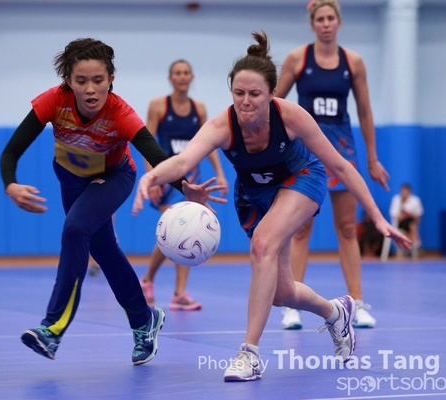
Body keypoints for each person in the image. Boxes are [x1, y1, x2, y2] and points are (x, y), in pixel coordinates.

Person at [131, 31, 411, 382]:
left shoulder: (291, 117)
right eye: (239, 93)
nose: (246, 101)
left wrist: (378, 218)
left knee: (262, 244)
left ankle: (249, 353)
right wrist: (151, 177)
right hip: (255, 194)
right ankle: (336, 312)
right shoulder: (222, 125)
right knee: (281, 293)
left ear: (271, 93)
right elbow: (184, 160)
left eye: (255, 94)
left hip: (302, 179)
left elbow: (341, 166)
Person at [0, 38, 223, 365]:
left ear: (111, 79)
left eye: (98, 80)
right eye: (81, 81)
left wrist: (185, 187)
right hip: (71, 179)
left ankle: (52, 328)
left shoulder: (120, 113)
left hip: (114, 177)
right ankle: (144, 319)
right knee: (104, 251)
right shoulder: (53, 101)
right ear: (68, 81)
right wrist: (11, 185)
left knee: (75, 229)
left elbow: (156, 155)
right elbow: (10, 152)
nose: (90, 89)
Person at [275, 0, 389, 330]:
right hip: (304, 150)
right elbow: (275, 103)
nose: (325, 24)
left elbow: (365, 111)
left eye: (330, 18)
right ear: (312, 24)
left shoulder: (354, 62)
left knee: (348, 227)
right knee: (300, 229)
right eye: (320, 19)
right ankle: (291, 305)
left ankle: (358, 302)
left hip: (341, 148)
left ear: (339, 22)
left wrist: (372, 158)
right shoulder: (298, 59)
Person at [139, 59, 228, 311]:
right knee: (176, 231)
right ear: (171, 78)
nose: (181, 76)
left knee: (187, 232)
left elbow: (209, 143)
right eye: (177, 73)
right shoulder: (159, 106)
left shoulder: (198, 109)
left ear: (191, 78)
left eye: (186, 73)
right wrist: (152, 178)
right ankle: (148, 280)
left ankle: (177, 292)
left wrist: (220, 173)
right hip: (166, 178)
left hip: (191, 181)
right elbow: (146, 143)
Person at [389, 183, 424, 259]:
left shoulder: (415, 201)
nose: (404, 194)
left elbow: (418, 217)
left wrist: (409, 215)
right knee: (411, 226)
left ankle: (409, 247)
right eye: (403, 192)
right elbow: (396, 218)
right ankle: (415, 244)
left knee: (412, 225)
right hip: (399, 224)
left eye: (406, 192)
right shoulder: (396, 200)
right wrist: (405, 215)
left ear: (409, 192)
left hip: (411, 223)